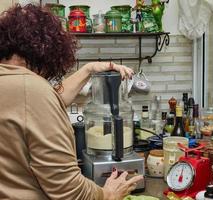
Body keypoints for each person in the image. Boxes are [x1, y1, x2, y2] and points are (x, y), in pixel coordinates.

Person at [0, 3, 143, 200]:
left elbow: (46, 102)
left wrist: (89, 69)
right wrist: (106, 194)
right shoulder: (31, 89)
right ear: (46, 49)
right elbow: (68, 189)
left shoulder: (12, 84)